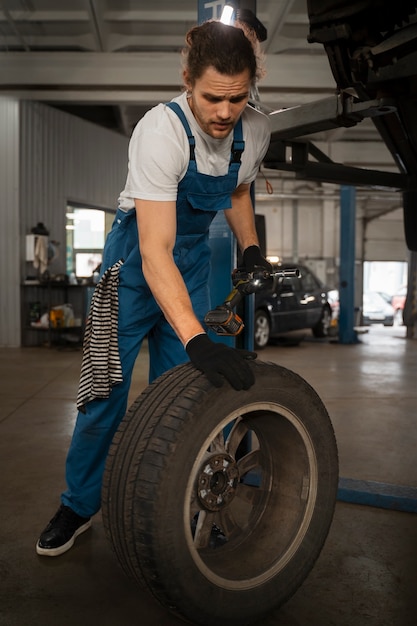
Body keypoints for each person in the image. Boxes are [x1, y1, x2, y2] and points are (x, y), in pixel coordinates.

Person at [36, 19, 272, 557]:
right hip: (134, 265)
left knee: (185, 401)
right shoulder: (159, 132)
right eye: (212, 97)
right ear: (187, 80)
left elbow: (236, 188)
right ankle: (78, 504)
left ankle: (185, 504)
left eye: (237, 99)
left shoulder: (254, 129)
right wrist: (196, 338)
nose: (224, 112)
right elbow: (153, 248)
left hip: (190, 262)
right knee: (103, 398)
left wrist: (250, 247)